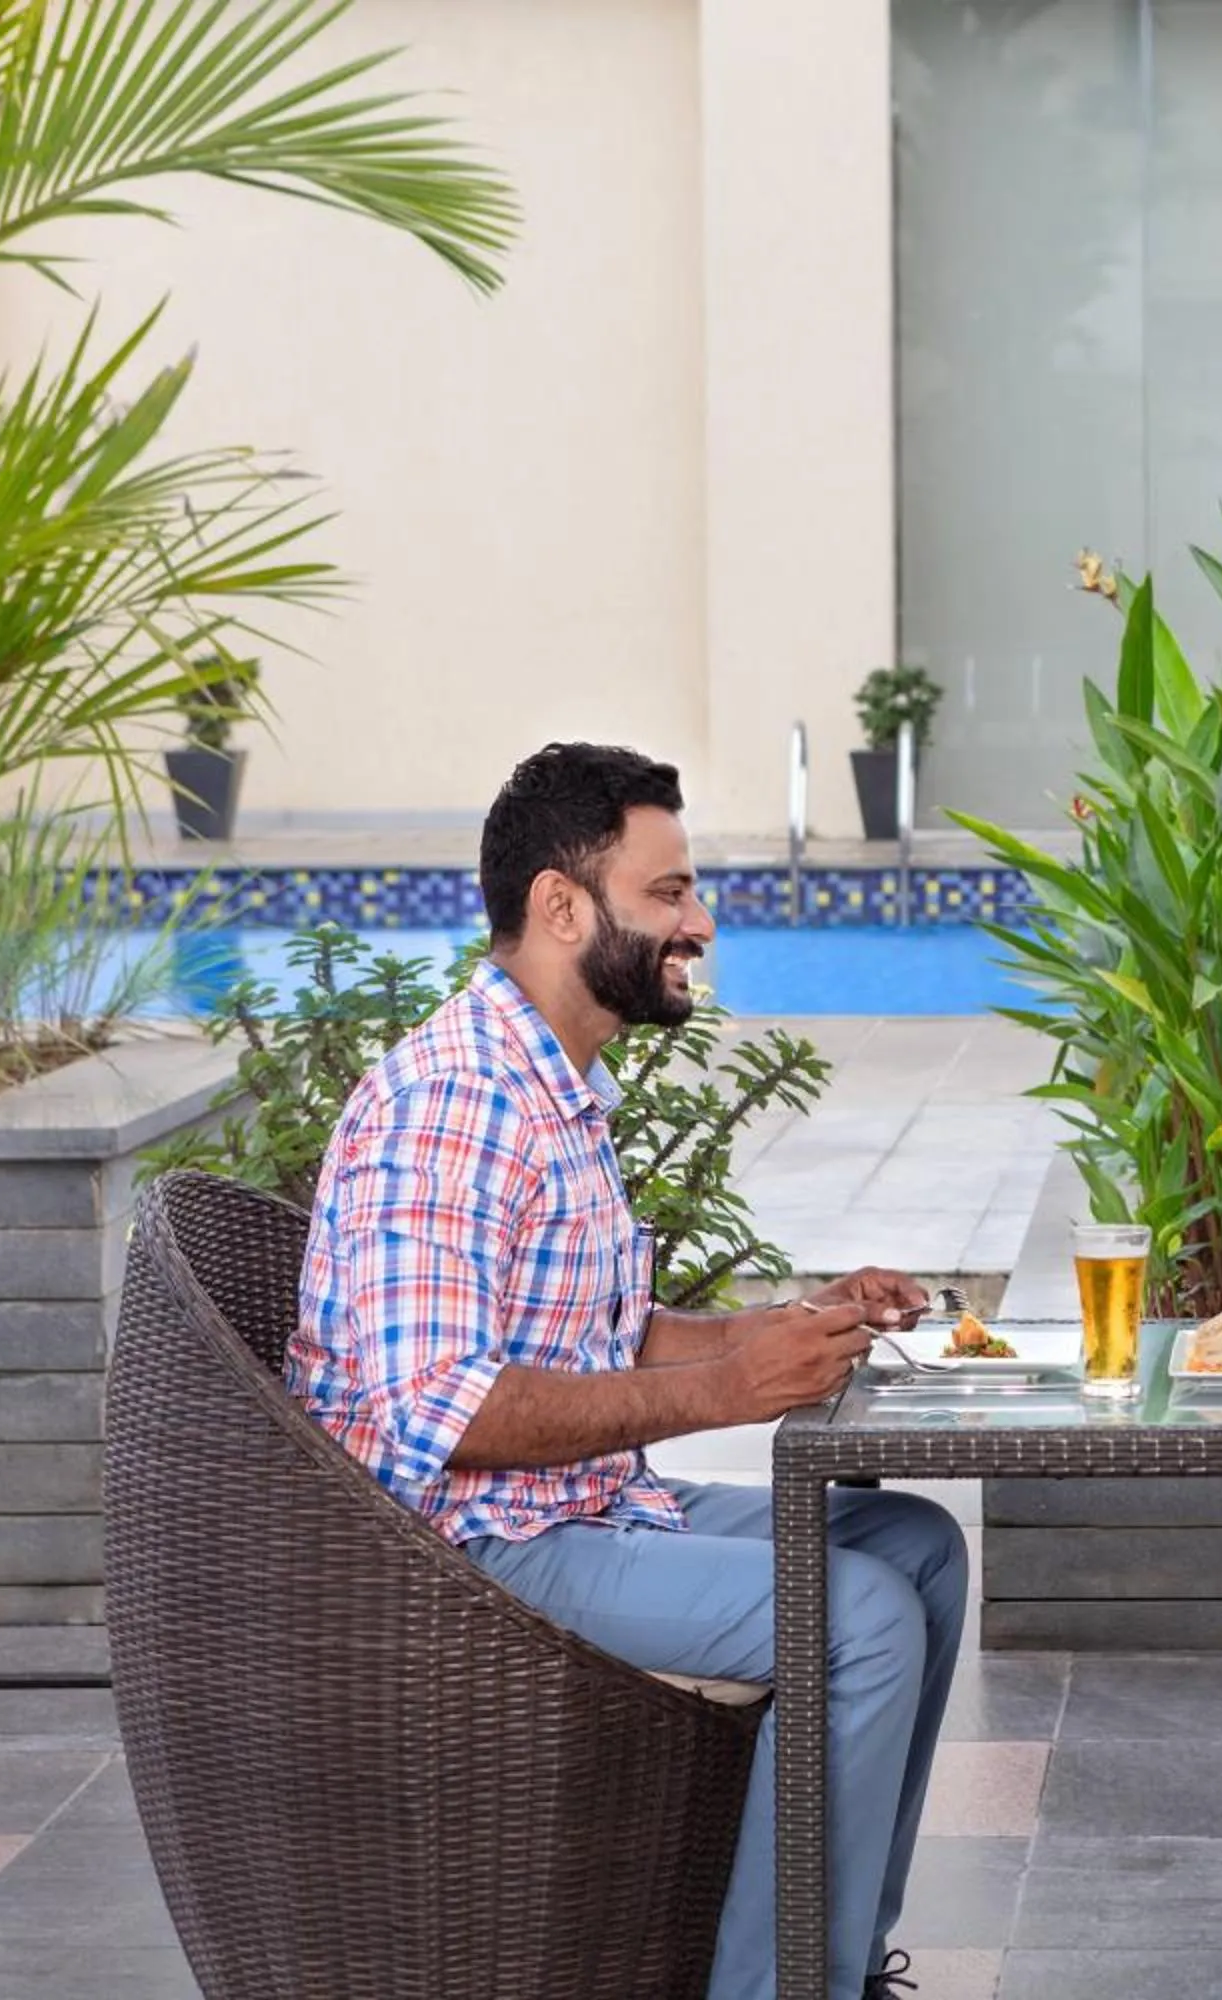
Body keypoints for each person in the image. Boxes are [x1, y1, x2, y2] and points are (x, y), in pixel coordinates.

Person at [292, 742, 966, 2000]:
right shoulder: (456, 1100)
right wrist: (726, 1389)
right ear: (562, 906)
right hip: (459, 1553)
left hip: (568, 1507)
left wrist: (794, 1322)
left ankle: (837, 1963)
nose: (699, 922)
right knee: (861, 1616)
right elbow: (437, 1410)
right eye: (668, 893)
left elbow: (603, 1333)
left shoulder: (549, 1086)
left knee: (919, 1548)